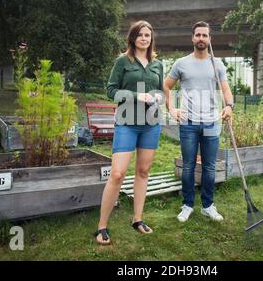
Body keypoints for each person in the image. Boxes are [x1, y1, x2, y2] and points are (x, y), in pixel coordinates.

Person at [94, 20, 164, 245]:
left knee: (143, 171)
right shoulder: (122, 61)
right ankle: (102, 226)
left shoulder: (157, 64)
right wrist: (136, 96)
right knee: (117, 174)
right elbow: (110, 91)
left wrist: (158, 97)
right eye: (140, 35)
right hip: (127, 122)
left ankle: (137, 219)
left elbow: (161, 90)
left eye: (148, 35)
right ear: (133, 38)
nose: (144, 38)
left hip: (151, 123)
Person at [163, 21, 234, 223]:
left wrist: (229, 106)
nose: (201, 38)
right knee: (188, 166)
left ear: (209, 39)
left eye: (205, 35)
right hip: (189, 123)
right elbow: (166, 86)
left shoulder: (216, 64)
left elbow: (226, 88)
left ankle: (208, 206)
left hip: (212, 122)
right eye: (198, 35)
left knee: (210, 167)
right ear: (192, 38)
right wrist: (171, 108)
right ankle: (187, 205)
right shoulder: (181, 63)